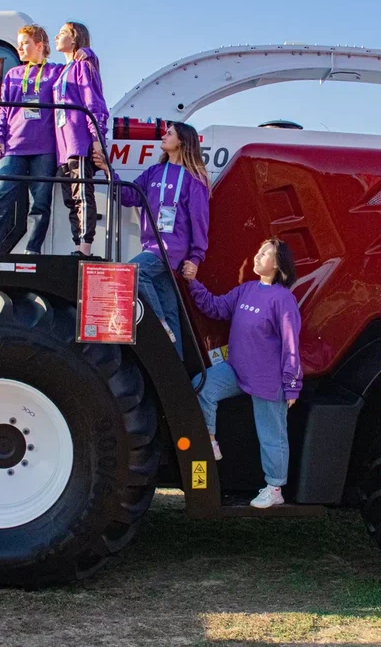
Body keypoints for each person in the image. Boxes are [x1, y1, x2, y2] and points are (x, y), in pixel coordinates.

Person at [185, 239, 302, 509]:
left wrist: (292, 387)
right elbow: (215, 307)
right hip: (235, 370)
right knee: (202, 386)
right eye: (259, 251)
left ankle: (275, 488)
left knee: (271, 435)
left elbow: (291, 346)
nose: (257, 256)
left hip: (267, 380)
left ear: (279, 265)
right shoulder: (247, 290)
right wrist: (193, 283)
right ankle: (211, 441)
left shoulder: (283, 300)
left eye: (265, 254)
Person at [115, 122, 209, 356]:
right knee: (170, 311)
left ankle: (158, 327)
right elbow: (128, 196)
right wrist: (109, 173)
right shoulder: (154, 172)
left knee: (134, 271)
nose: (164, 136)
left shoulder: (194, 179)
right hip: (152, 246)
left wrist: (196, 258)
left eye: (170, 133)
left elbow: (200, 220)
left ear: (182, 141)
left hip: (172, 250)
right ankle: (176, 371)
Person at [0, 25, 62, 255]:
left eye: (24, 42)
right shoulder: (13, 74)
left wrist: (86, 54)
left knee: (40, 202)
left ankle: (33, 250)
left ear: (39, 45)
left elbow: (80, 73)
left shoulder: (56, 72)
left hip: (44, 149)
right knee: (1, 194)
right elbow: (3, 110)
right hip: (14, 146)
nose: (19, 47)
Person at [52, 21, 109, 256]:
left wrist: (96, 137)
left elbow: (93, 102)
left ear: (74, 39)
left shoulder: (83, 65)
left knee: (81, 194)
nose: (56, 37)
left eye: (62, 33)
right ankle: (78, 245)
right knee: (70, 198)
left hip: (79, 140)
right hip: (62, 146)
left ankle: (84, 247)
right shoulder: (62, 70)